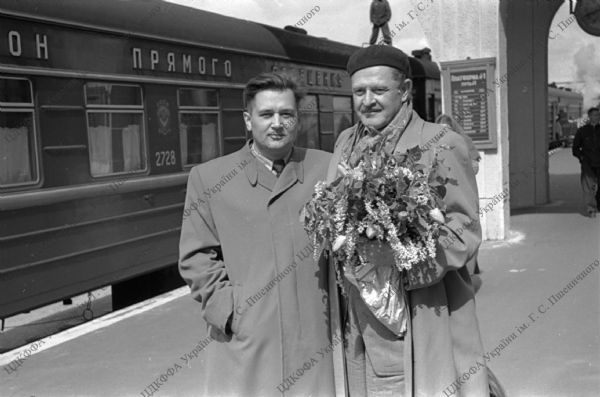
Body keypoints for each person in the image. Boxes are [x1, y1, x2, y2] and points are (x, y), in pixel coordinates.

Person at [325, 45, 489, 396]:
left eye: (379, 90)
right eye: (358, 92)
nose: (367, 101)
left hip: (421, 309)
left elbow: (465, 231)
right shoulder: (344, 143)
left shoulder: (442, 143)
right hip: (358, 315)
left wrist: (398, 258)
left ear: (405, 91)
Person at [178, 72, 335, 396]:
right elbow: (195, 257)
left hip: (316, 341)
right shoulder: (209, 179)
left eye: (286, 114)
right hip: (245, 345)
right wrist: (231, 312)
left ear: (298, 119)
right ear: (248, 120)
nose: (277, 123)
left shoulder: (328, 169)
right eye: (266, 114)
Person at [436, 114, 482, 277]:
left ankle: (468, 273)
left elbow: (475, 167)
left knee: (468, 228)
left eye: (446, 130)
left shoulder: (462, 141)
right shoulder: (434, 144)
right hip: (444, 196)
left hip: (464, 192)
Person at [572, 107, 600, 217]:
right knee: (588, 188)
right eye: (594, 115)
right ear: (589, 116)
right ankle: (591, 208)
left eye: (598, 115)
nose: (596, 117)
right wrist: (582, 158)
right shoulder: (582, 131)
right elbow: (575, 149)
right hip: (588, 164)